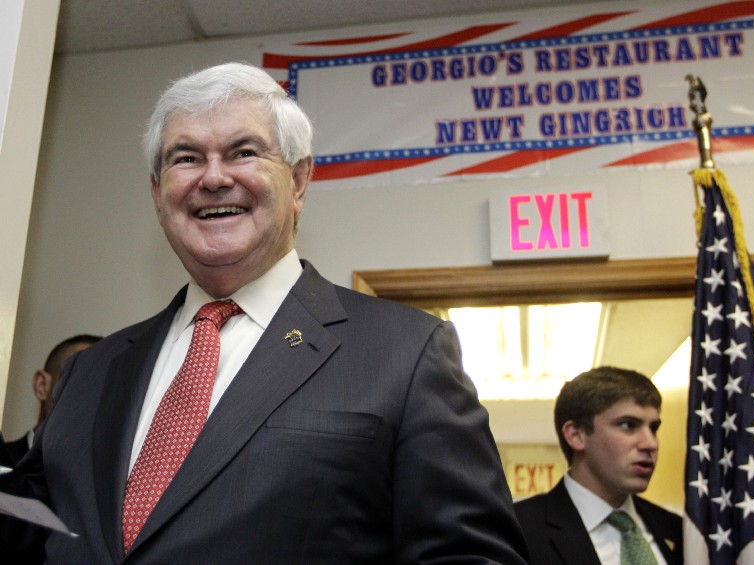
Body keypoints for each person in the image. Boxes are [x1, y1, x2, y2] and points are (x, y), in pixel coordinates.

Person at [0, 62, 528, 564]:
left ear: (298, 180)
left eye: (244, 152)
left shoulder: (407, 353)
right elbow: (31, 524)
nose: (213, 178)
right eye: (186, 158)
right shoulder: (91, 371)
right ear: (157, 194)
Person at [514, 366, 682, 565]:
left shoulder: (676, 529)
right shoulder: (517, 531)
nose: (650, 443)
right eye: (628, 425)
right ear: (576, 435)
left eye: (653, 428)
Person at [0, 334, 102, 468]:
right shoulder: (4, 460)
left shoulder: (110, 475)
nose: (92, 399)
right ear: (42, 386)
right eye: (80, 382)